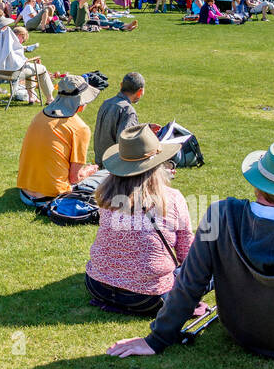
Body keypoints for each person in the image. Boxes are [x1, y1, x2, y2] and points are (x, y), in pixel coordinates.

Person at [108, 141, 274, 360]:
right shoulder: (222, 215)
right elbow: (190, 282)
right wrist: (156, 340)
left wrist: (157, 338)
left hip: (241, 331)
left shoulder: (221, 214)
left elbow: (190, 282)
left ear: (257, 183)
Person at [86, 124, 196, 314]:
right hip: (148, 297)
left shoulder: (106, 195)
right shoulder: (172, 198)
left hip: (97, 286)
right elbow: (187, 253)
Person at [17, 73, 101, 201]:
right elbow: (75, 178)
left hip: (24, 194)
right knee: (105, 176)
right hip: (52, 197)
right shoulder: (80, 128)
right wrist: (89, 171)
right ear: (80, 101)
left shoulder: (40, 116)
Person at [93, 71, 145, 166]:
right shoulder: (128, 110)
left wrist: (145, 128)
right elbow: (126, 144)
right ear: (140, 91)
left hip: (100, 161)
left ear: (121, 85)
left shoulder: (106, 103)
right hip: (114, 165)